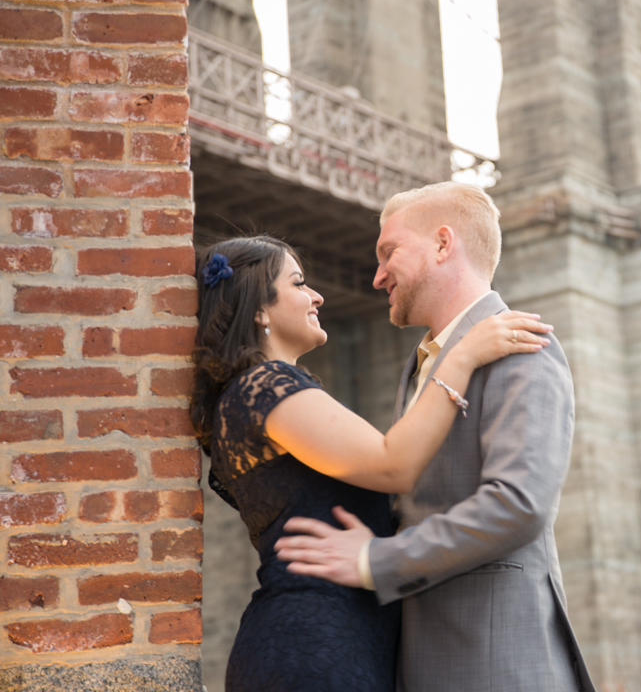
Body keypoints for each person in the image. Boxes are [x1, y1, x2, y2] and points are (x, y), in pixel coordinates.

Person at [191, 234, 553, 692]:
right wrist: (463, 355)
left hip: (331, 638)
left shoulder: (253, 393)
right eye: (299, 283)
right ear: (259, 310)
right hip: (316, 645)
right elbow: (393, 465)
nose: (317, 295)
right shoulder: (267, 385)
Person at [274, 182, 596, 691]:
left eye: (389, 252)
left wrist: (372, 559)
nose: (377, 276)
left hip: (495, 666)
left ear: (444, 244)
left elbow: (519, 505)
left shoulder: (521, 346)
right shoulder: (423, 362)